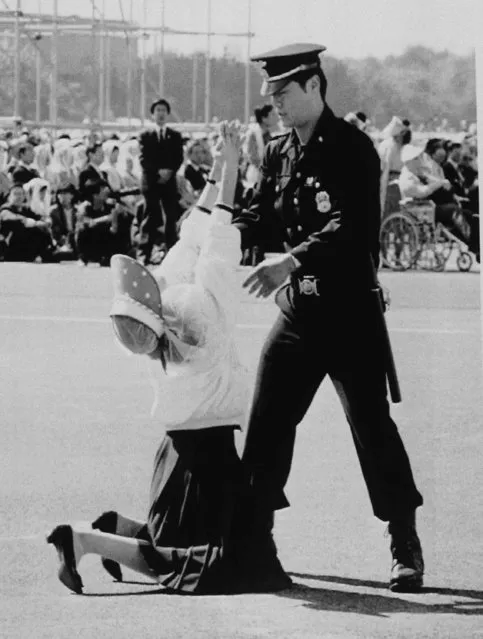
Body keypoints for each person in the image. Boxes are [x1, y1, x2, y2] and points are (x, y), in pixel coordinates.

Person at [46, 122, 289, 596]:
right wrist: (233, 163)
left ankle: (112, 527)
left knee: (187, 549)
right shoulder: (205, 317)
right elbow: (214, 234)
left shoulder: (157, 319)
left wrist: (224, 167)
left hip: (175, 453)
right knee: (207, 564)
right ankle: (82, 540)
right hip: (210, 459)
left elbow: (198, 231)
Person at [233, 43, 425, 593]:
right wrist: (214, 230)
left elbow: (354, 228)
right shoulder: (277, 152)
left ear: (314, 87)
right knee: (267, 422)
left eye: (284, 94)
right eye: (271, 97)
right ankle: (255, 535)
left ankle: (403, 538)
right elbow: (258, 216)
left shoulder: (353, 149)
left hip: (349, 314)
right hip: (298, 311)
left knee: (371, 428)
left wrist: (290, 259)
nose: (276, 105)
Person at [137, 98, 184, 265]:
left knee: (171, 217)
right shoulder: (145, 135)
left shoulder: (175, 136)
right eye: (158, 110)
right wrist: (158, 173)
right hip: (151, 182)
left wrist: (169, 172)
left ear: (168, 113)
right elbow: (144, 159)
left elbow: (178, 158)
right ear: (152, 114)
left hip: (169, 182)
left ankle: (172, 254)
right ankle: (144, 253)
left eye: (164, 110)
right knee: (150, 216)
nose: (161, 113)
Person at [0, 183, 57, 262]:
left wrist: (46, 220)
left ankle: (50, 253)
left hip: (26, 247)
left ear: (24, 196)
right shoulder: (5, 209)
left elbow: (38, 216)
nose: (18, 197)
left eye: (21, 194)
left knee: (41, 230)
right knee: (34, 228)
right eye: (15, 194)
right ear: (9, 197)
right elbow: (12, 217)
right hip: (11, 248)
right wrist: (33, 223)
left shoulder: (26, 209)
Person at [243, 103, 280, 190]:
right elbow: (252, 156)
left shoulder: (269, 135)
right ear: (264, 118)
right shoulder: (253, 134)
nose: (276, 117)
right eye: (272, 114)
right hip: (255, 174)